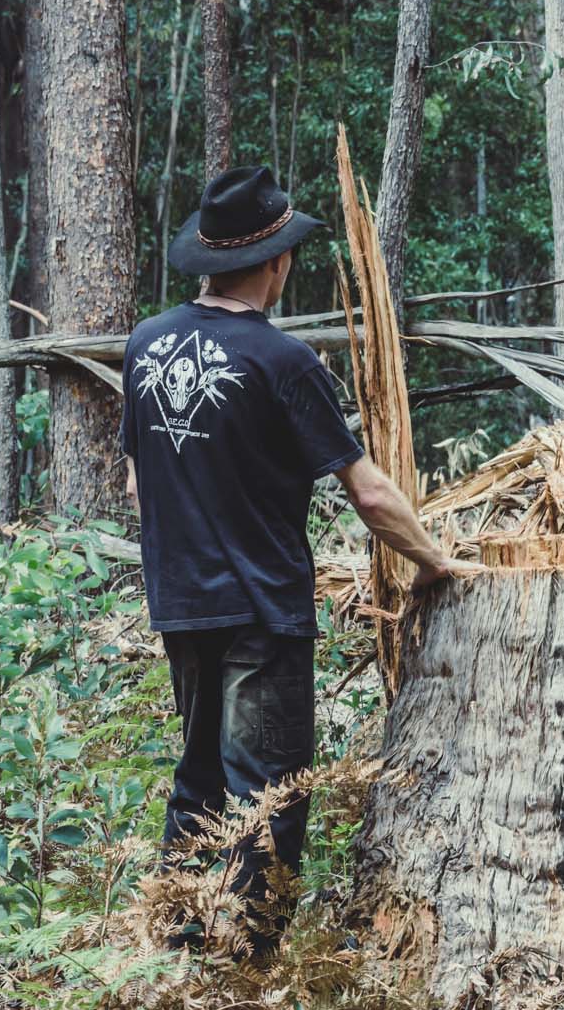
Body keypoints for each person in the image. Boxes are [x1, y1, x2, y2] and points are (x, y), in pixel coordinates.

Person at [121, 165, 472, 958]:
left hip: (182, 606)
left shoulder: (144, 345)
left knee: (199, 777)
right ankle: (249, 970)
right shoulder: (284, 361)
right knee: (269, 791)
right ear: (275, 262)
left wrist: (188, 551)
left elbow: (139, 483)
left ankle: (177, 949)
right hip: (263, 612)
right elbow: (371, 494)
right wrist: (435, 560)